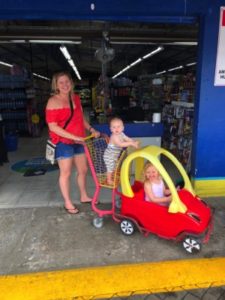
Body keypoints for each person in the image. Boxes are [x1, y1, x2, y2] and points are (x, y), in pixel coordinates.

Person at [45, 71, 100, 214]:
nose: (65, 85)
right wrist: (73, 137)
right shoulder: (53, 101)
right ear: (56, 85)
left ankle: (83, 195)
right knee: (66, 173)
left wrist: (91, 128)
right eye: (61, 82)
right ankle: (68, 202)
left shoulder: (75, 98)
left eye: (67, 81)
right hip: (63, 142)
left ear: (71, 83)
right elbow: (53, 127)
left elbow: (80, 118)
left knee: (83, 170)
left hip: (79, 140)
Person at [103, 117, 139, 185]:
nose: (116, 129)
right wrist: (131, 144)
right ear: (111, 129)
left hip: (114, 155)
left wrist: (133, 142)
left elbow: (127, 138)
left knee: (114, 167)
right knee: (110, 168)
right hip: (109, 156)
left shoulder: (121, 134)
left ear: (122, 128)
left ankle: (111, 176)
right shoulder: (114, 136)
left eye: (118, 127)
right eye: (114, 127)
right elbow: (120, 144)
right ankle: (109, 179)